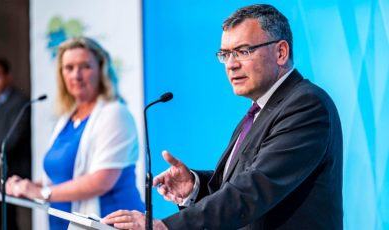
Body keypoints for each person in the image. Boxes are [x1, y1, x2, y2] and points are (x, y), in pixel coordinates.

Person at [102, 4, 343, 230]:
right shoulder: (259, 110)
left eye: (242, 51)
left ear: (281, 52)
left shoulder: (306, 105)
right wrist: (194, 186)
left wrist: (167, 226)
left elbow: (253, 191)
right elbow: (236, 184)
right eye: (225, 54)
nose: (231, 64)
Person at [6, 37, 144, 229]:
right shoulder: (66, 119)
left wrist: (41, 192)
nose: (76, 75)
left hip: (110, 223)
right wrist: (27, 187)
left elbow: (100, 181)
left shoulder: (115, 113)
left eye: (85, 66)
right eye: (69, 68)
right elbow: (61, 177)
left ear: (101, 70)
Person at [0, 58, 32, 230]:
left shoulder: (20, 103)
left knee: (4, 222)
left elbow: (12, 137)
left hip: (6, 175)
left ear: (8, 76)